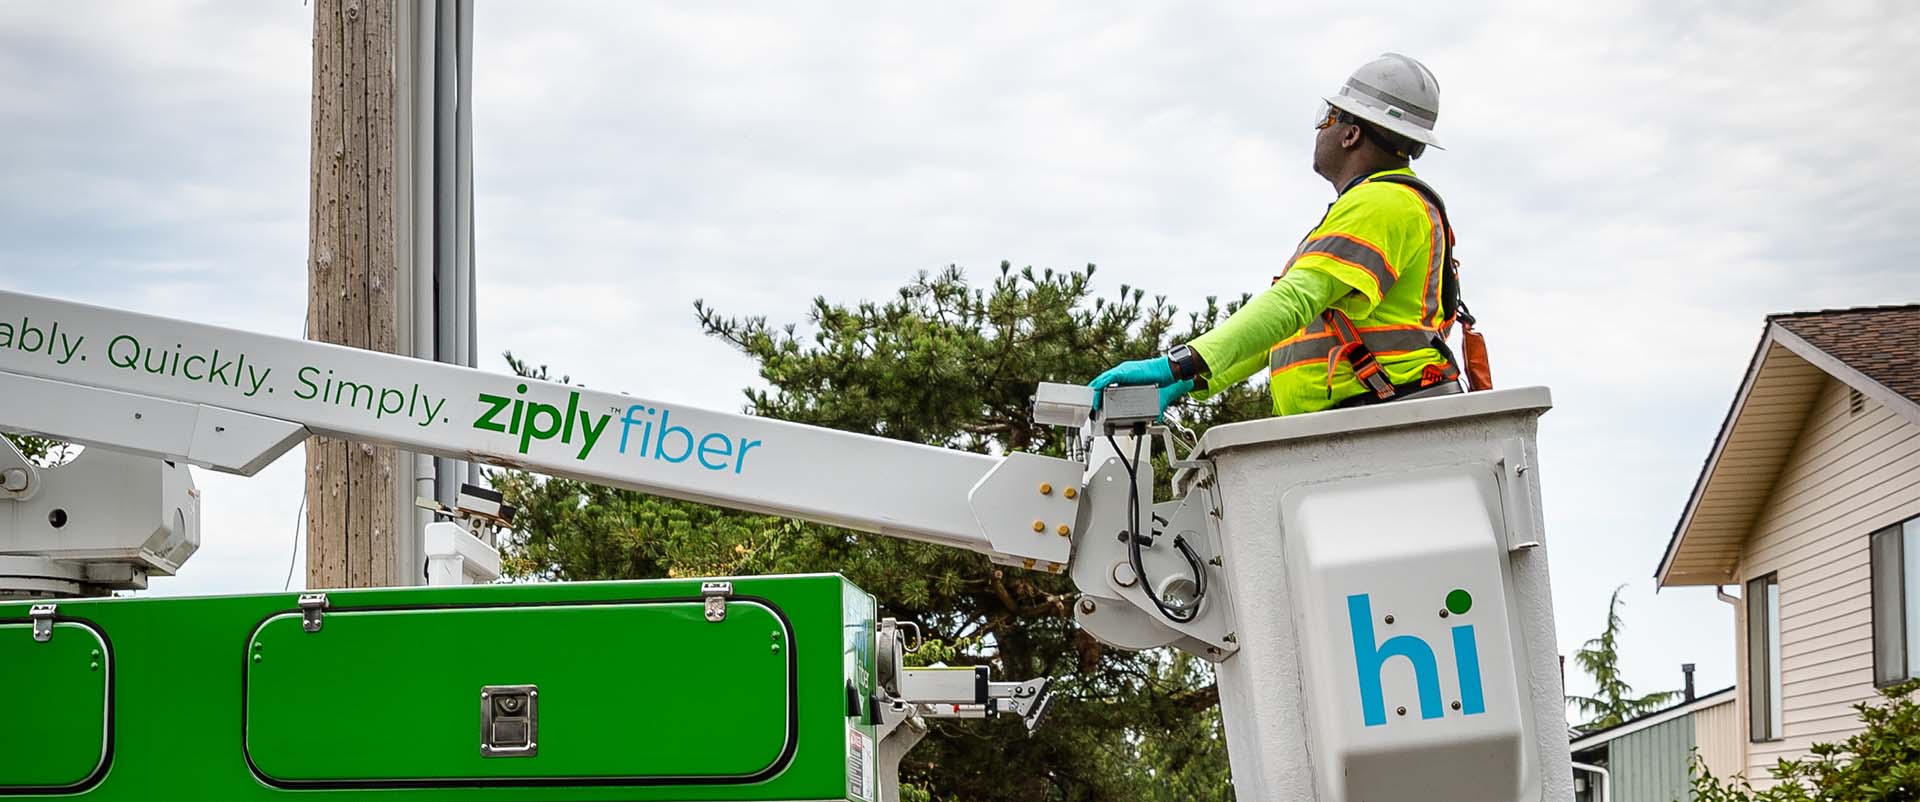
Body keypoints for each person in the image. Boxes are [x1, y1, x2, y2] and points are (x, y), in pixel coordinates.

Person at [1090, 53, 1472, 418]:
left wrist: (1177, 363)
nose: (1321, 129)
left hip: (1388, 416)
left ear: (1351, 134)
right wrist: (1191, 380)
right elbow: (1292, 326)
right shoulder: (1375, 205)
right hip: (1372, 416)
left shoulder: (1384, 202)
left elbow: (1294, 300)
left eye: (1329, 118)